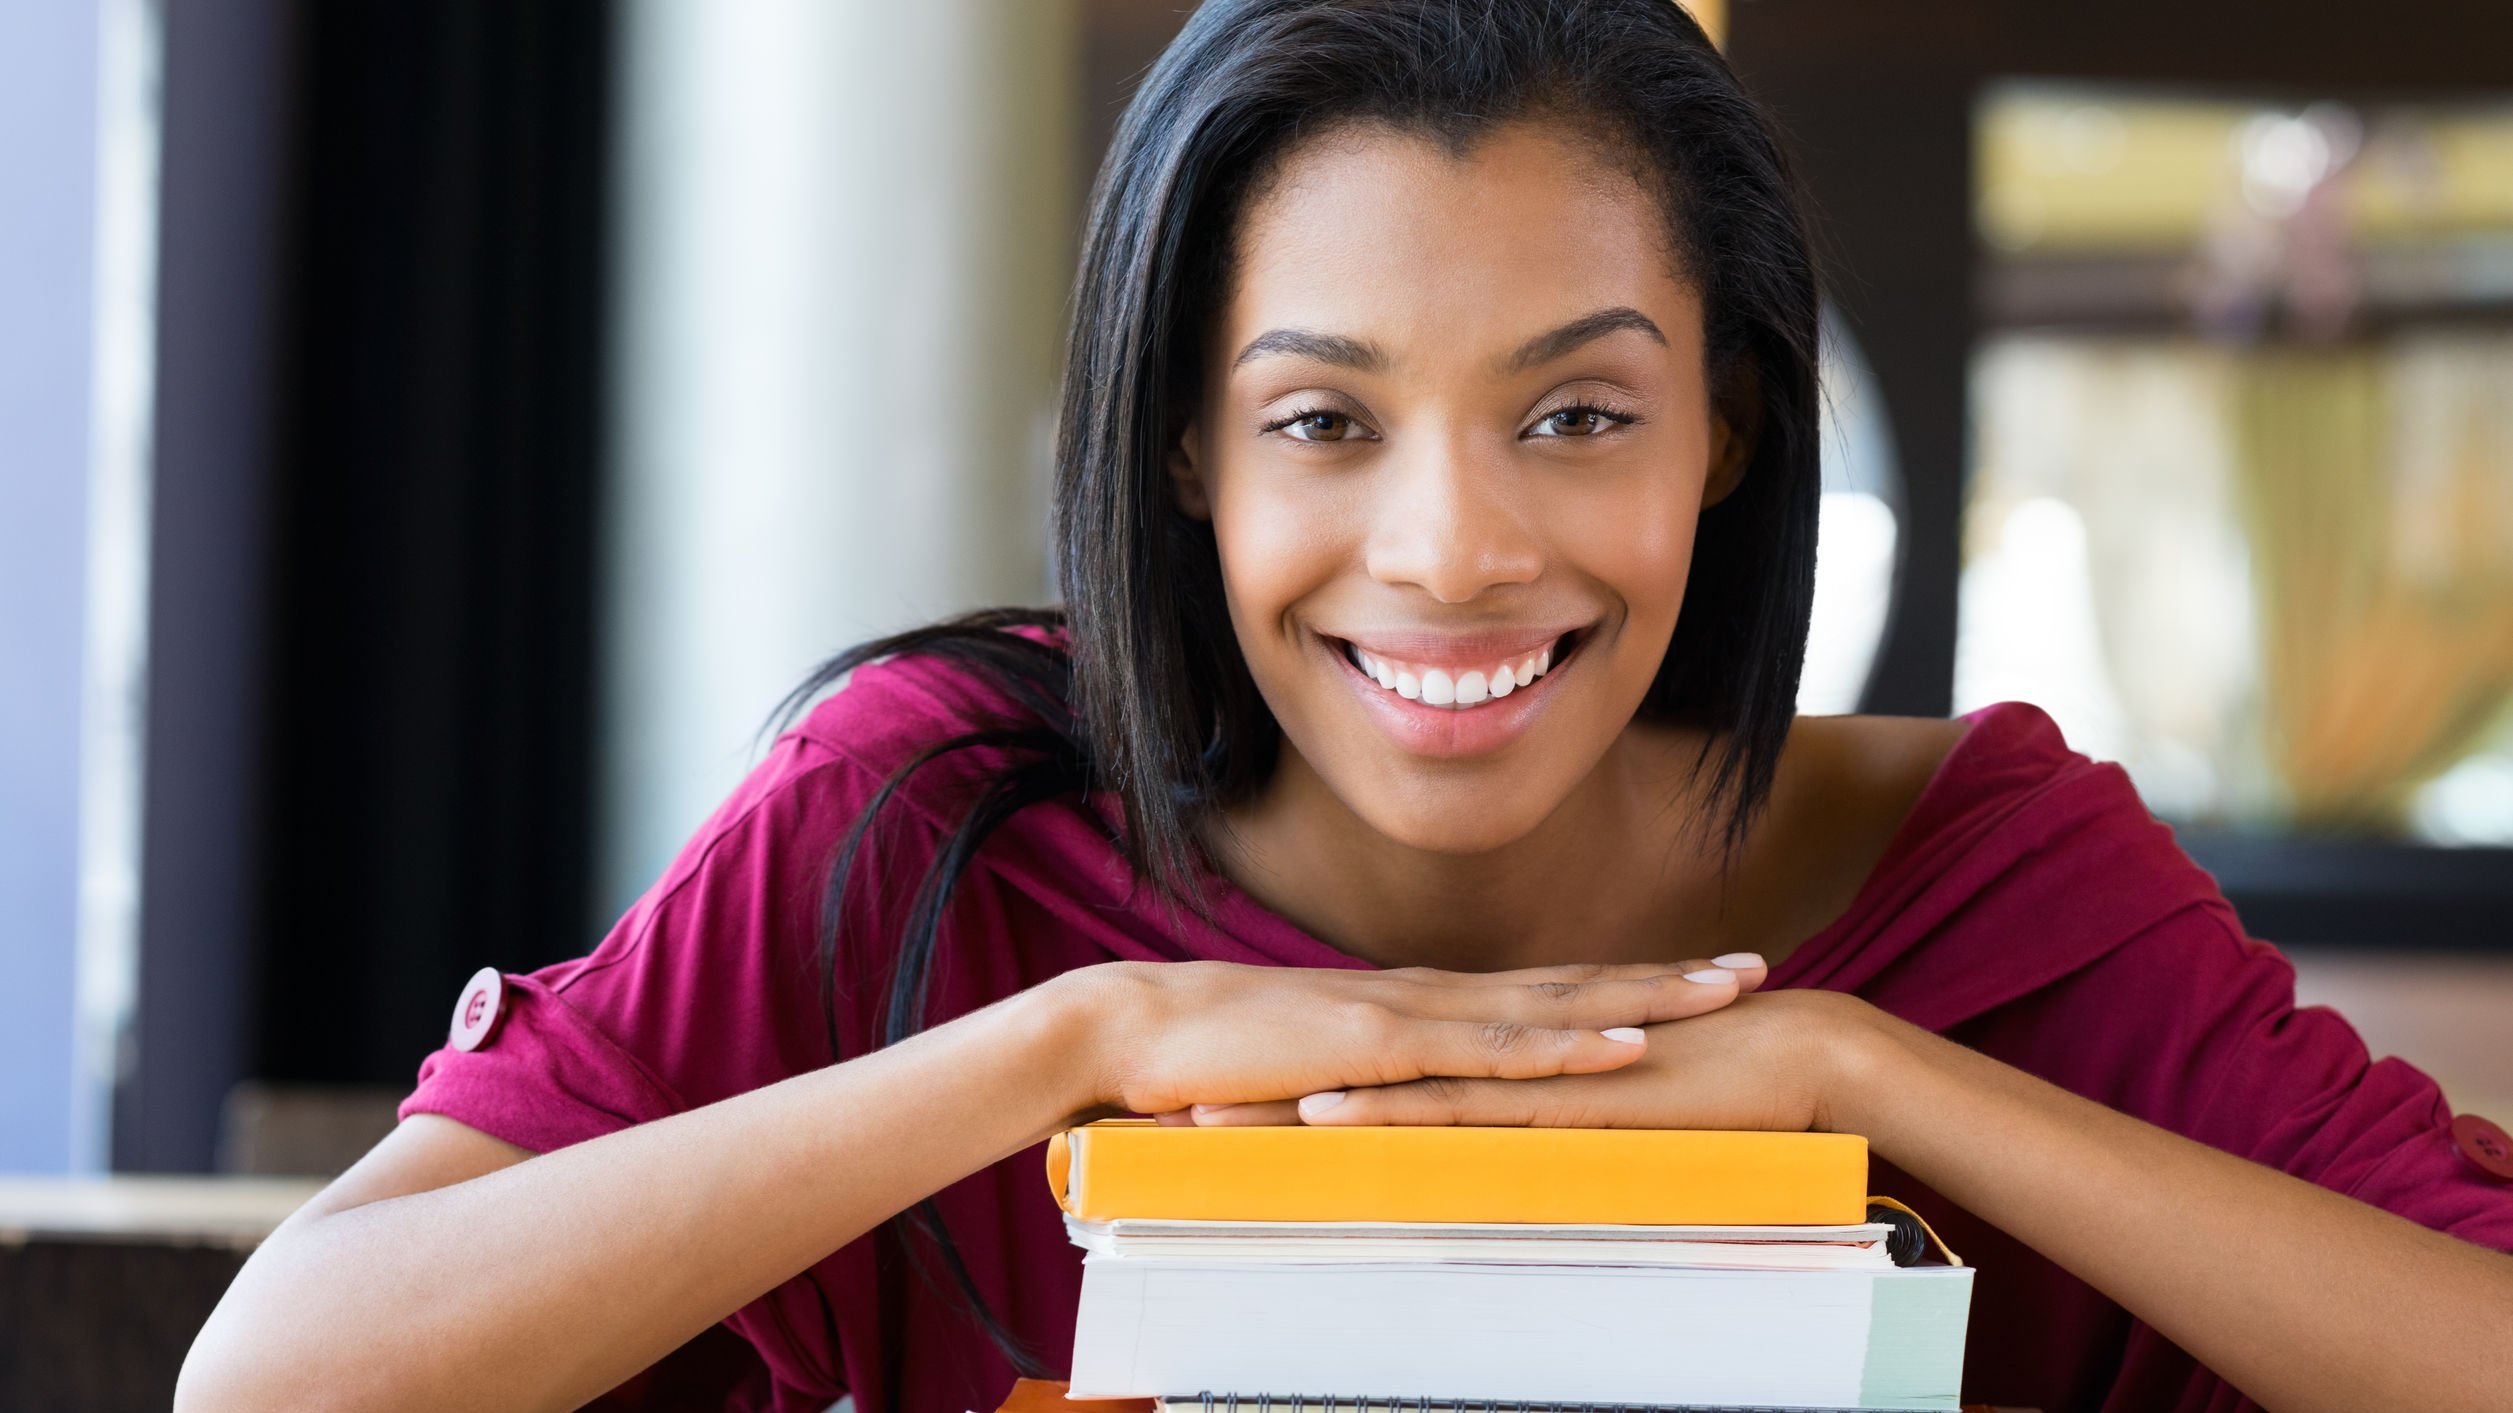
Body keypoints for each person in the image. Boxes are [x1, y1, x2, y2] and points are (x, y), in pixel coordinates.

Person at [176, 2, 2513, 1411]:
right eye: (1323, 421)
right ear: (1180, 446)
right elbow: (278, 1378)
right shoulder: (931, 815)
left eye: (1579, 415)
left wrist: (1860, 1072)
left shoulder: (1988, 874)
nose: (1454, 550)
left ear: (1737, 430)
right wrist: (1069, 1040)